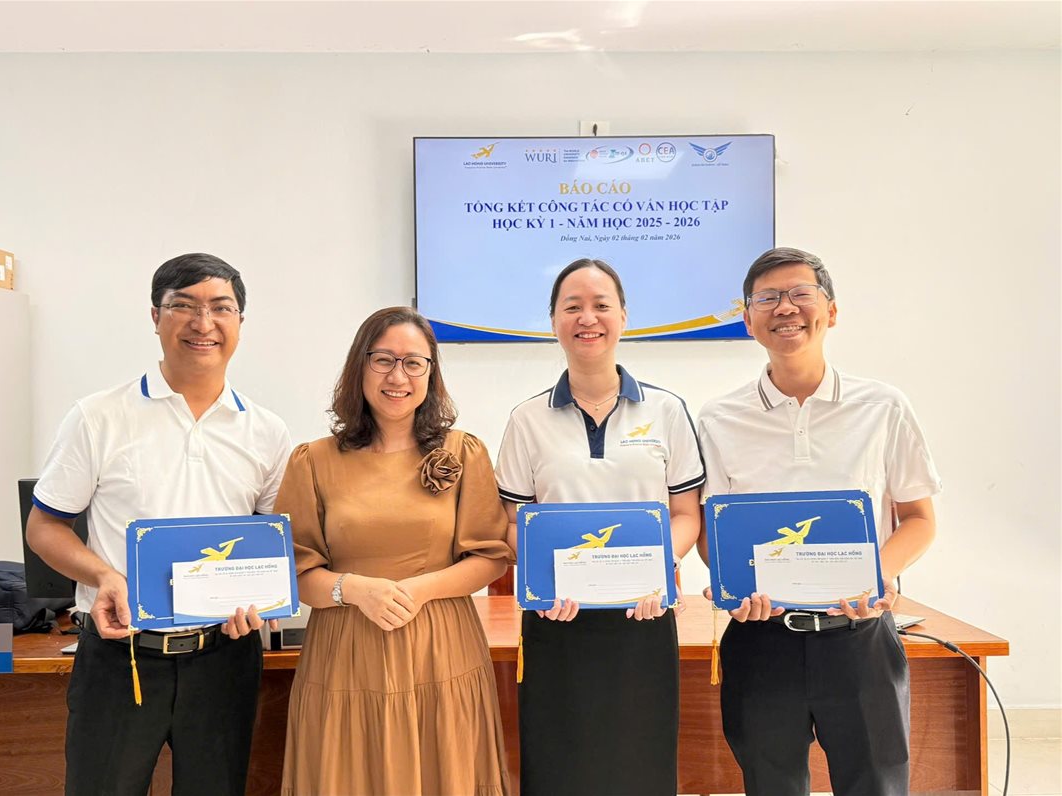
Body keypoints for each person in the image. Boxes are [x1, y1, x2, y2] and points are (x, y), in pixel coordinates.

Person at [26, 253, 293, 796]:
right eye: (184, 306)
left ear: (240, 322)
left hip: (224, 658)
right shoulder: (98, 416)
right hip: (120, 655)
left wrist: (262, 600)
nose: (203, 323)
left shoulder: (267, 431)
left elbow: (270, 546)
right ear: (155, 316)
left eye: (221, 308)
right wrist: (104, 577)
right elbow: (44, 527)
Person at [696, 247, 941, 796]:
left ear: (831, 311)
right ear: (747, 319)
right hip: (760, 639)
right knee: (771, 785)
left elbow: (919, 519)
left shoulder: (883, 406)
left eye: (800, 294)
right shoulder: (718, 417)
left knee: (876, 784)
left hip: (860, 638)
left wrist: (875, 575)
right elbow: (714, 532)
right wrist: (731, 581)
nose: (785, 308)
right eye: (767, 298)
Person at [275, 306, 511, 796]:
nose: (397, 376)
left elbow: (490, 556)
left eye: (413, 363)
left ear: (431, 372)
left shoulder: (463, 451)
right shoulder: (312, 461)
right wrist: (354, 589)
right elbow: (293, 573)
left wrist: (417, 590)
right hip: (345, 652)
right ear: (359, 366)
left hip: (441, 649)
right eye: (382, 360)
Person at [495, 258, 704, 796]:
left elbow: (687, 514)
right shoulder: (527, 419)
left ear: (623, 317)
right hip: (556, 620)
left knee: (641, 767)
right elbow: (512, 522)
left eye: (600, 305)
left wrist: (660, 566)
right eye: (572, 306)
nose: (587, 318)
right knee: (558, 767)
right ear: (553, 321)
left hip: (644, 617)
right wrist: (542, 577)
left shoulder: (666, 410)